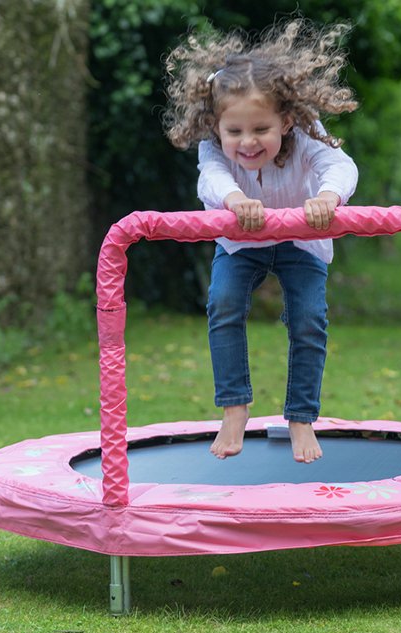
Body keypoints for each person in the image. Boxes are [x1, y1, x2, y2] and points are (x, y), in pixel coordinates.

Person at [163, 19, 358, 463]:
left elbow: (339, 166)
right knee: (224, 304)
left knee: (309, 319)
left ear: (285, 120)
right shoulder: (213, 147)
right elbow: (210, 179)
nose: (247, 142)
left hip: (301, 239)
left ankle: (302, 417)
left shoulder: (307, 134)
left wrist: (329, 197)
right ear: (217, 126)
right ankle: (235, 407)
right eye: (235, 132)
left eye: (260, 130)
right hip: (240, 239)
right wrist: (234, 199)